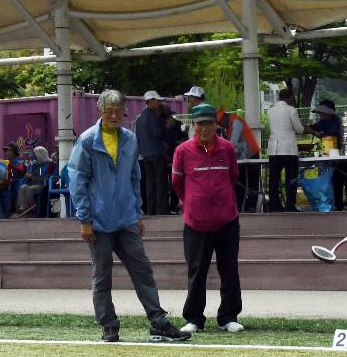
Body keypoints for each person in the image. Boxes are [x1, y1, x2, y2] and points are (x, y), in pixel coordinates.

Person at [68, 89, 190, 343]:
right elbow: (77, 180)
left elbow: (135, 177)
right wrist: (84, 219)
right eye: (108, 110)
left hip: (126, 218)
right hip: (98, 222)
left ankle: (158, 321)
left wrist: (137, 213)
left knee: (142, 270)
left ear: (124, 112)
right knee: (101, 276)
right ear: (100, 112)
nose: (114, 115)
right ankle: (108, 325)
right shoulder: (88, 140)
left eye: (118, 111)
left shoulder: (130, 139)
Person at [172, 103, 244, 334]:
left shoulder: (228, 149)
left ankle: (228, 317)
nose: (204, 129)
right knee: (197, 270)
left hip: (227, 220)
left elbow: (232, 177)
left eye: (209, 124)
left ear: (216, 125)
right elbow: (177, 184)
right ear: (194, 126)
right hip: (196, 222)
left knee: (229, 269)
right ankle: (194, 318)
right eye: (200, 124)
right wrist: (194, 202)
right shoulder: (182, 151)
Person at [304, 99, 347, 211]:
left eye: (322, 113)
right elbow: (312, 128)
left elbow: (330, 134)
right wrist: (305, 128)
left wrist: (317, 134)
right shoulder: (322, 122)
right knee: (336, 182)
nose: (320, 115)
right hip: (336, 158)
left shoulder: (338, 122)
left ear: (328, 113)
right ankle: (338, 207)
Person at [266, 88, 304, 212]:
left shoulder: (270, 111)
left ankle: (273, 204)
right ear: (290, 98)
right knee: (291, 178)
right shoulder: (291, 110)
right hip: (288, 149)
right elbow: (299, 129)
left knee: (273, 179)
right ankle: (290, 205)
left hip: (273, 149)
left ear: (279, 97)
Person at [217, 108, 261, 212]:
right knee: (239, 182)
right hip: (241, 158)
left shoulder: (236, 122)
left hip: (252, 155)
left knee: (252, 182)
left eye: (220, 122)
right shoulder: (227, 127)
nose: (220, 125)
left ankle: (250, 207)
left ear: (224, 117)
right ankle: (240, 206)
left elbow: (231, 144)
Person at [136, 90, 169, 215]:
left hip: (145, 154)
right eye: (157, 101)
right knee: (161, 182)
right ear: (151, 101)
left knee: (150, 182)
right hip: (157, 153)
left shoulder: (140, 118)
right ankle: (162, 210)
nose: (159, 103)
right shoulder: (153, 116)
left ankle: (151, 209)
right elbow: (157, 133)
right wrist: (165, 127)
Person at [16, 146, 51, 215]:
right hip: (32, 183)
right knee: (23, 187)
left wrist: (32, 177)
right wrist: (27, 176)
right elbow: (31, 174)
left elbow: (45, 178)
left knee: (30, 189)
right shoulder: (35, 164)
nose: (35, 159)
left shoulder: (49, 164)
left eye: (36, 157)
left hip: (42, 184)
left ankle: (29, 209)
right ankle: (21, 207)